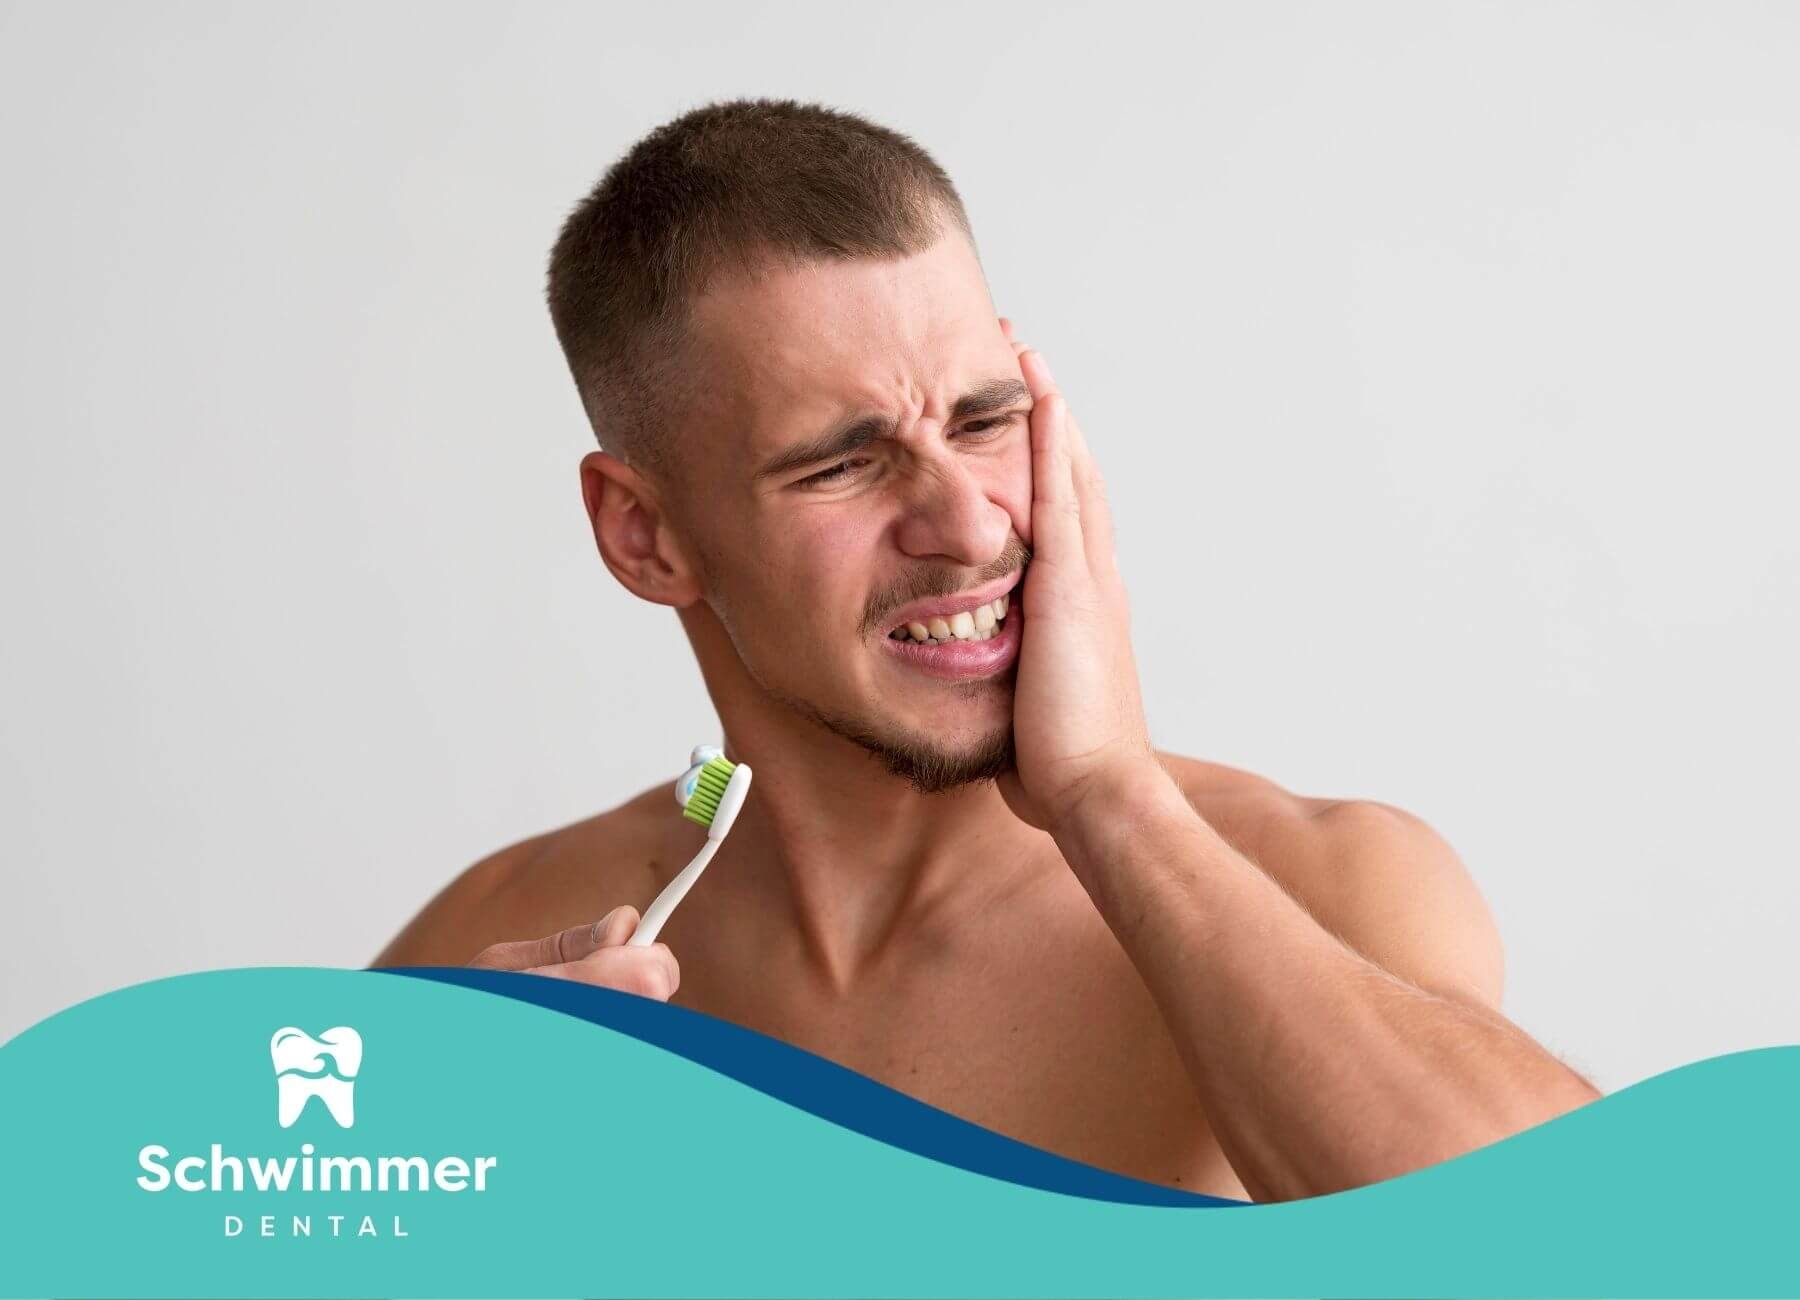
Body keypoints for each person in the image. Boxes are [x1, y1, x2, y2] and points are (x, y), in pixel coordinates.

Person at [375, 98, 1598, 1202]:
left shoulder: (1325, 889)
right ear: (646, 536)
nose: (967, 522)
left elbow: (1589, 1252)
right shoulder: (508, 950)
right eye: (843, 463)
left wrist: (1114, 801)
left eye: (985, 418)